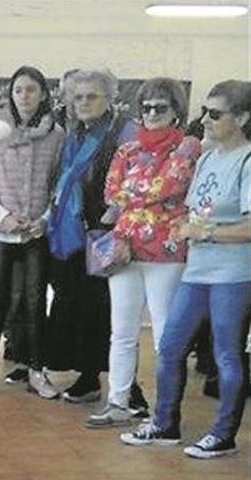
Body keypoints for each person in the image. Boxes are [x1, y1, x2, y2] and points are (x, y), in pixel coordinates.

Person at [121, 80, 251, 459]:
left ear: (242, 117)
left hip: (233, 274)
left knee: (227, 353)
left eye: (215, 114)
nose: (205, 120)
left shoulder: (247, 161)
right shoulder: (209, 156)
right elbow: (197, 209)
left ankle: (223, 434)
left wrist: (205, 231)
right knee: (170, 346)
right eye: (204, 112)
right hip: (197, 270)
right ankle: (165, 424)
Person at [85, 78, 201, 428]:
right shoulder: (127, 150)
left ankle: (164, 413)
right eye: (146, 107)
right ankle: (118, 402)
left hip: (166, 253)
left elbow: (171, 183)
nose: (151, 114)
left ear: (176, 112)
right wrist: (139, 194)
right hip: (124, 251)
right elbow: (111, 193)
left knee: (166, 335)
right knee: (121, 331)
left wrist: (131, 194)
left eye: (160, 108)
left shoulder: (188, 146)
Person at [0, 66, 65, 400]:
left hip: (36, 232)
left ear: (43, 94)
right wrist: (2, 215)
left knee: (35, 302)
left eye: (31, 90)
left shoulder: (57, 135)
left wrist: (47, 218)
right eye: (19, 90)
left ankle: (37, 371)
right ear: (11, 94)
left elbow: (60, 184)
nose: (25, 96)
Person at [46, 68, 138, 403]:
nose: (84, 102)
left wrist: (115, 214)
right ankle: (88, 377)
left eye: (92, 96)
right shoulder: (74, 133)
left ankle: (130, 390)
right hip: (75, 232)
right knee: (85, 307)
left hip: (109, 233)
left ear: (109, 98)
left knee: (112, 310)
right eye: (78, 97)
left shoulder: (124, 132)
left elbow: (137, 180)